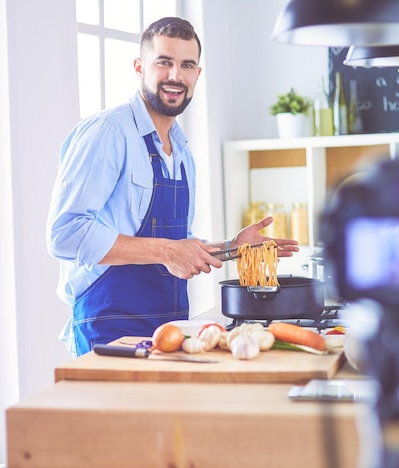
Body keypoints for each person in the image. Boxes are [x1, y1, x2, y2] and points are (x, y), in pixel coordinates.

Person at [46, 17, 299, 356]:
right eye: (164, 62)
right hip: (108, 332)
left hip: (169, 332)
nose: (175, 76)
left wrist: (232, 248)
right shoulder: (108, 132)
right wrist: (167, 251)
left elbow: (177, 250)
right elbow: (66, 233)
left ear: (198, 74)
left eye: (187, 65)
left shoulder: (181, 152)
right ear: (139, 66)